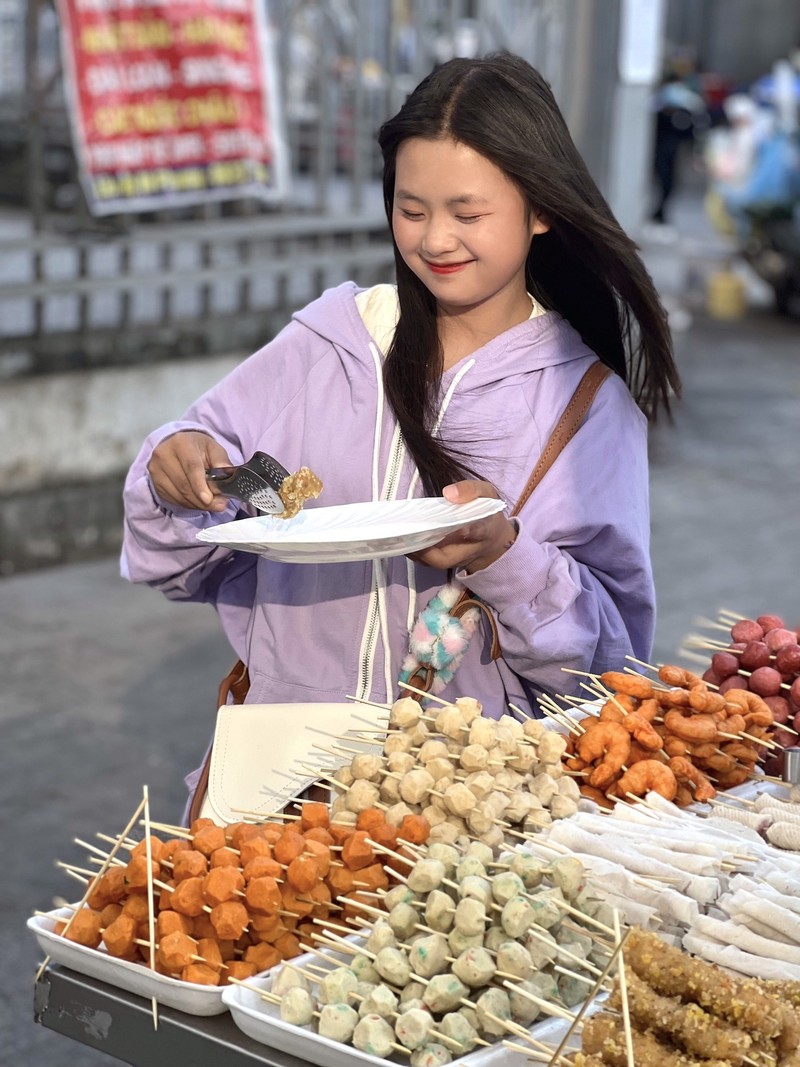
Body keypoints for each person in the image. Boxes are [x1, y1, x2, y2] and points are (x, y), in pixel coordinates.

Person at [121, 52, 680, 815]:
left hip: (460, 812)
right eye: (412, 210)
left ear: (541, 207)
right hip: (278, 794)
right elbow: (176, 555)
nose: (436, 240)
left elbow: (607, 665)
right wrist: (172, 470)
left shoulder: (586, 404)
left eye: (468, 212)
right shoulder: (330, 345)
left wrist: (503, 556)